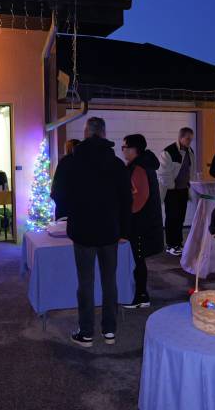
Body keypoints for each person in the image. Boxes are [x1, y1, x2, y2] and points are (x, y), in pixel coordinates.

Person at [50, 117, 132, 348]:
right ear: (104, 134)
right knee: (109, 281)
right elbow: (126, 199)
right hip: (110, 230)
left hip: (82, 229)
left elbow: (57, 193)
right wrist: (124, 229)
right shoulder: (116, 164)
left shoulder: (70, 161)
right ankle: (109, 331)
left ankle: (86, 333)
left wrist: (70, 212)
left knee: (85, 282)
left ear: (86, 133)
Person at [120, 134, 164, 309]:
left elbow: (139, 199)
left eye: (124, 147)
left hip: (139, 224)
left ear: (133, 149)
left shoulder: (138, 169)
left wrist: (125, 215)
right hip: (144, 221)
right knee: (138, 259)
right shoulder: (142, 165)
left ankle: (141, 296)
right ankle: (139, 294)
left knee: (137, 259)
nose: (122, 150)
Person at [158, 127, 195, 256]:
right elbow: (163, 173)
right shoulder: (168, 152)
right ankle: (170, 245)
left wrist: (189, 183)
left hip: (183, 190)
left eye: (191, 139)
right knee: (172, 218)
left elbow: (191, 169)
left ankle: (178, 243)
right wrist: (172, 186)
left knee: (180, 218)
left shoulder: (190, 151)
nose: (190, 141)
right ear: (181, 137)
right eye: (188, 139)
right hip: (171, 191)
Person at [52, 139, 81, 220]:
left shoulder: (64, 161)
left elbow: (58, 180)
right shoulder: (80, 161)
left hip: (62, 198)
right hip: (74, 198)